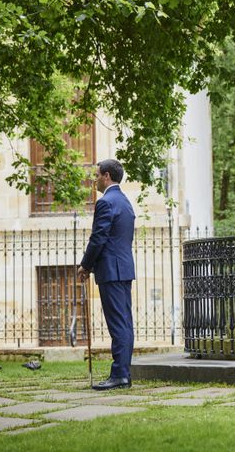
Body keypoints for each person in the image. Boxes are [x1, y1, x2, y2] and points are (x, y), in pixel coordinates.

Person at [77, 159, 136, 391]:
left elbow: (98, 238)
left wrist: (85, 265)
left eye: (97, 175)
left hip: (111, 271)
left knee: (118, 324)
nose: (95, 180)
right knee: (125, 323)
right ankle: (123, 373)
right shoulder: (125, 202)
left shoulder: (106, 202)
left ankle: (120, 375)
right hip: (124, 269)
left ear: (107, 176)